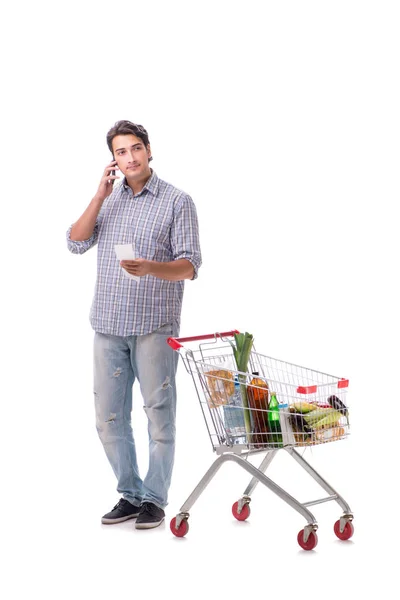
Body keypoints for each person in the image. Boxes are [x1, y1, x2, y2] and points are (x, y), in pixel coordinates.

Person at [66, 120, 201, 529]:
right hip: (107, 325)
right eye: (121, 152)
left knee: (159, 414)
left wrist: (151, 268)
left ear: (149, 150)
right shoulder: (108, 200)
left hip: (154, 327)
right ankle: (130, 493)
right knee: (108, 418)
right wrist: (97, 196)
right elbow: (75, 242)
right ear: (114, 159)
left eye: (136, 148)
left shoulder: (177, 201)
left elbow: (191, 266)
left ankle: (155, 500)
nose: (130, 157)